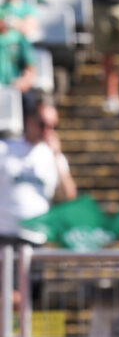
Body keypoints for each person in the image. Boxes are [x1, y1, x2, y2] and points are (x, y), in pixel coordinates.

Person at [0, 97, 77, 245]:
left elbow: (68, 196)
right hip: (4, 235)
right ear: (29, 121)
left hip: (36, 237)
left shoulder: (54, 157)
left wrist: (56, 156)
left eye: (53, 126)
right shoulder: (5, 149)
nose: (48, 131)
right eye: (43, 124)